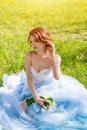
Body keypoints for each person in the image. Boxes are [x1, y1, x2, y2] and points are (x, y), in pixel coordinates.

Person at [0, 26, 87, 130]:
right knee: (23, 110)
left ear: (44, 40)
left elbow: (57, 77)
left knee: (45, 110)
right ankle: (31, 99)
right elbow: (29, 79)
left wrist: (53, 56)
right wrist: (35, 97)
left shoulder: (55, 57)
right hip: (31, 87)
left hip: (49, 86)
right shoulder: (30, 55)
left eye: (36, 41)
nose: (33, 45)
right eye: (31, 42)